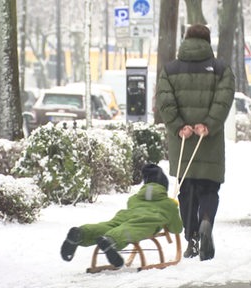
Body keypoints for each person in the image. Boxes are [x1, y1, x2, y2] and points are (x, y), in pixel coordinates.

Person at [155, 24, 235, 261]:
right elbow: (224, 99)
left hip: (183, 141)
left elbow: (164, 100)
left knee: (186, 191)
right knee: (209, 188)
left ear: (185, 40)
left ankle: (192, 239)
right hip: (208, 140)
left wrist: (180, 125)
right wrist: (208, 124)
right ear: (208, 41)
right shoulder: (220, 69)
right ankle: (207, 221)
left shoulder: (170, 69)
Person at [60, 164, 182, 268]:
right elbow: (176, 229)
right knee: (130, 229)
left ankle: (82, 233)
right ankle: (111, 241)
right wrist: (173, 208)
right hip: (147, 220)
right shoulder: (169, 204)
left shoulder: (134, 199)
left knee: (109, 226)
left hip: (125, 215)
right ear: (164, 186)